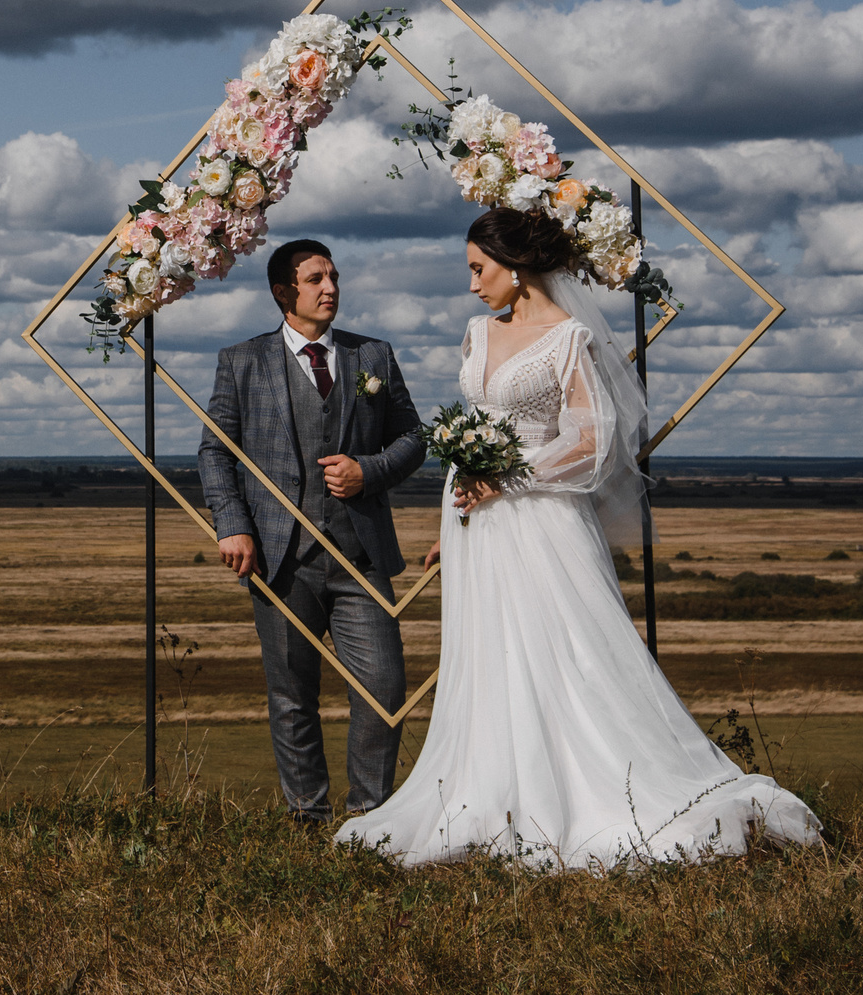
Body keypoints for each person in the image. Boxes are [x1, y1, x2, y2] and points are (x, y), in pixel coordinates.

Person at [337, 206, 821, 868]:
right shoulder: (477, 332)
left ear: (515, 265)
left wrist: (507, 475)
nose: (473, 284)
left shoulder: (569, 340)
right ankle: (489, 786)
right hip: (478, 524)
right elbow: (476, 420)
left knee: (564, 650)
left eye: (480, 268)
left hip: (541, 521)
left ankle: (593, 788)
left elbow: (592, 443)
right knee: (490, 653)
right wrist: (458, 503)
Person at [199, 238, 427, 821]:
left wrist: (367, 471)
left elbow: (413, 438)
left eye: (334, 276)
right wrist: (232, 526)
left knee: (383, 690)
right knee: (292, 696)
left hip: (362, 558)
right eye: (316, 279)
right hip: (280, 561)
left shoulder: (372, 355)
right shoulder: (241, 361)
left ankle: (370, 821)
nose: (331, 288)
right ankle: (307, 819)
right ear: (283, 293)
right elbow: (215, 453)